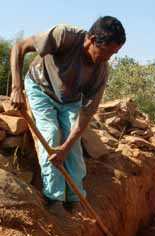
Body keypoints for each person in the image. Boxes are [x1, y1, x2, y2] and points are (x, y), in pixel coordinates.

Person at [10, 16, 126, 215]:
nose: (108, 58)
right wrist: (16, 87)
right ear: (90, 39)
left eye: (113, 54)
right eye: (106, 52)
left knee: (73, 149)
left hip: (70, 101)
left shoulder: (100, 72)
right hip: (41, 88)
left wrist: (65, 148)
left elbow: (85, 116)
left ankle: (74, 197)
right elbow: (19, 47)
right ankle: (54, 198)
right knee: (51, 133)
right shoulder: (64, 36)